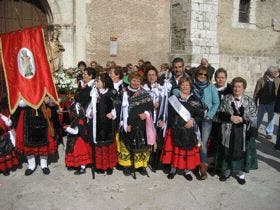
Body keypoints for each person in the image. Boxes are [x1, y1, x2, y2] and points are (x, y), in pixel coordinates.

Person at [160, 77, 204, 180]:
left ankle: (187, 171)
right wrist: (164, 121)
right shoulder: (173, 99)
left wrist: (192, 120)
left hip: (188, 131)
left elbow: (200, 115)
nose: (185, 87)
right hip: (175, 129)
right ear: (179, 86)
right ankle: (173, 169)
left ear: (190, 86)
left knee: (186, 151)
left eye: (187, 85)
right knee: (176, 151)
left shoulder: (195, 100)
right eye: (183, 85)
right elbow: (168, 113)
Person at [216, 77, 258, 185]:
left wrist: (242, 119)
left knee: (241, 153)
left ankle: (240, 173)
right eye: (235, 86)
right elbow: (220, 113)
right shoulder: (226, 98)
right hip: (228, 132)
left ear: (243, 88)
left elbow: (254, 117)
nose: (236, 89)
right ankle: (227, 171)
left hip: (244, 133)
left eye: (239, 87)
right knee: (227, 151)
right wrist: (230, 117)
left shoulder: (250, 101)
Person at [117, 72, 154, 177]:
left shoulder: (144, 93)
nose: (136, 82)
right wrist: (124, 124)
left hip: (141, 124)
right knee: (127, 144)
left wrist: (146, 113)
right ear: (129, 80)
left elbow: (150, 107)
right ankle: (127, 166)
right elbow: (119, 109)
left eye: (138, 81)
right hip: (128, 124)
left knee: (142, 144)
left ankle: (141, 166)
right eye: (133, 80)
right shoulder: (124, 92)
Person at [12, 98, 57, 176]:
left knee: (44, 141)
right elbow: (20, 104)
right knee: (28, 142)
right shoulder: (24, 87)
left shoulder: (45, 86)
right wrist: (32, 100)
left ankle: (44, 164)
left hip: (43, 115)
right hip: (27, 117)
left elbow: (53, 102)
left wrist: (49, 101)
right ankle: (31, 165)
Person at [192, 66, 219, 179]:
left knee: (203, 143)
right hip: (194, 118)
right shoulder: (192, 86)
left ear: (208, 76)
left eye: (205, 75)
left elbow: (216, 103)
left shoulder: (211, 87)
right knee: (194, 141)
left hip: (206, 119)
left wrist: (209, 115)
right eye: (200, 74)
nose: (202, 76)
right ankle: (193, 164)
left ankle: (203, 168)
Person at [93, 73, 118, 175]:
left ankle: (109, 166)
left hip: (108, 123)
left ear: (104, 82)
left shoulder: (112, 92)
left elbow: (118, 105)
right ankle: (100, 166)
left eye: (98, 81)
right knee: (99, 145)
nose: (96, 83)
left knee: (108, 145)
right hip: (98, 122)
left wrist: (113, 113)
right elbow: (90, 105)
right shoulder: (94, 92)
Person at [143, 66, 163, 170]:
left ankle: (155, 161)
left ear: (156, 76)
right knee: (148, 139)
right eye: (149, 75)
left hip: (158, 117)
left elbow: (165, 105)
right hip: (148, 119)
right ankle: (147, 160)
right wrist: (151, 105)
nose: (152, 77)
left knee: (158, 140)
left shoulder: (161, 88)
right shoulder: (143, 89)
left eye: (153, 75)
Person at [64, 102, 92, 175]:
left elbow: (76, 131)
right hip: (76, 139)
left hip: (79, 140)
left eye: (71, 112)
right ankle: (75, 165)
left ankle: (82, 168)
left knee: (79, 153)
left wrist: (67, 129)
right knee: (73, 152)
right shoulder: (78, 119)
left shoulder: (79, 120)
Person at [253, 66, 280, 139]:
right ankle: (255, 131)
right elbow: (256, 93)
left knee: (271, 118)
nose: (277, 73)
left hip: (272, 103)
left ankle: (269, 132)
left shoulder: (277, 80)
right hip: (263, 103)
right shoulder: (261, 80)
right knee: (259, 118)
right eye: (276, 72)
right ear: (271, 73)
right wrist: (254, 103)